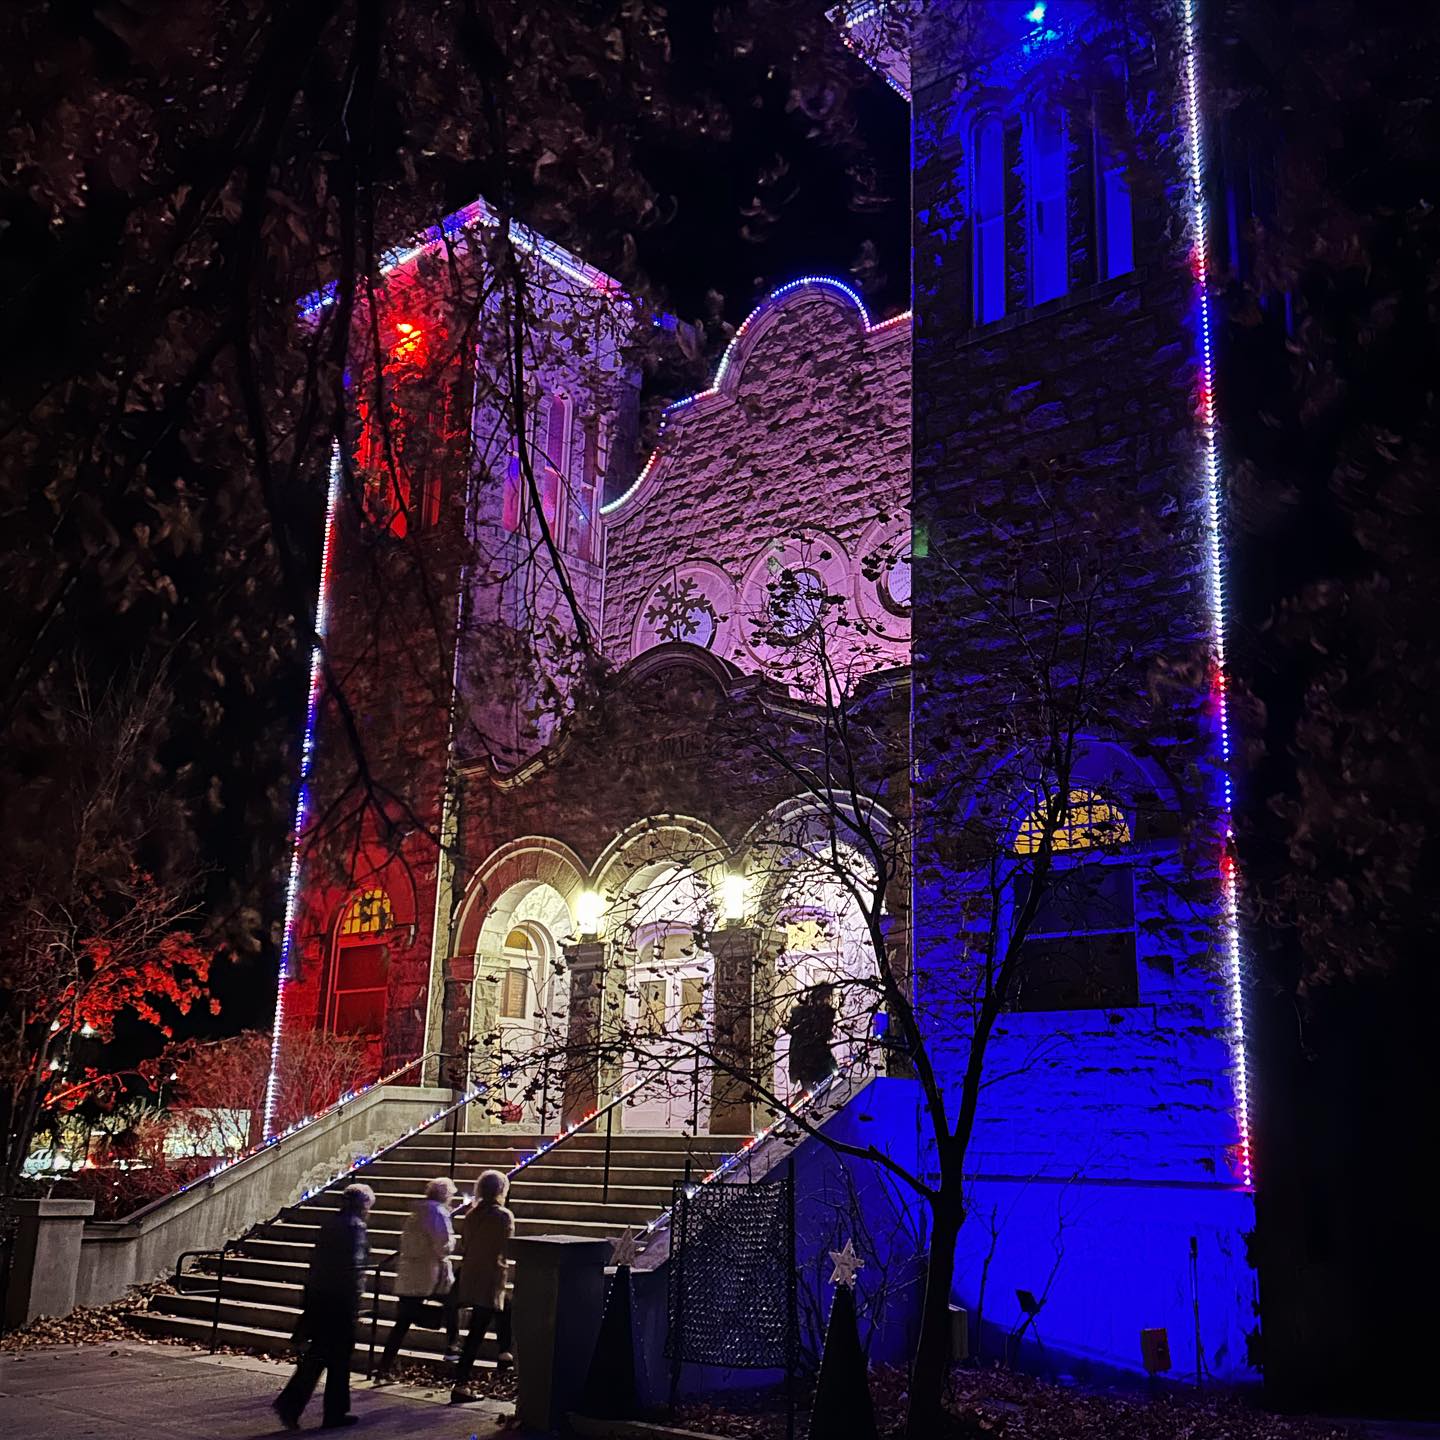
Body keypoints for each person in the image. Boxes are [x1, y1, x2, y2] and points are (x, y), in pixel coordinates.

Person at [275, 1182, 375, 1431]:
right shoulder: (355, 1228)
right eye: (368, 1206)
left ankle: (291, 1404)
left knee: (318, 1356)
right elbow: (354, 1269)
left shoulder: (331, 1224)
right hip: (340, 1303)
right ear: (363, 1205)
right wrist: (355, 1303)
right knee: (339, 1359)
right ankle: (334, 1412)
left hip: (321, 1299)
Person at [375, 1176, 459, 1378]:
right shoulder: (437, 1213)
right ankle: (452, 1346)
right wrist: (452, 1244)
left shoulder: (416, 1213)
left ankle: (384, 1364)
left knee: (402, 1322)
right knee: (452, 1302)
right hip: (429, 1272)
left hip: (410, 1272)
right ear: (445, 1195)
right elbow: (443, 1245)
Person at [450, 1168, 515, 1405]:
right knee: (477, 1331)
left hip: (472, 1274)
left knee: (505, 1308)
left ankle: (504, 1353)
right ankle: (461, 1382)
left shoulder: (471, 1215)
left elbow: (464, 1243)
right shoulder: (504, 1216)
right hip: (491, 1276)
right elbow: (507, 1246)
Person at [785, 981, 838, 1089]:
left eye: (829, 996)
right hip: (805, 1060)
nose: (827, 1000)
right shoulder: (803, 1013)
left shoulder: (827, 1013)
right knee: (810, 1088)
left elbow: (825, 1034)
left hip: (821, 1057)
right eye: (825, 996)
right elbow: (794, 1032)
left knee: (827, 1081)